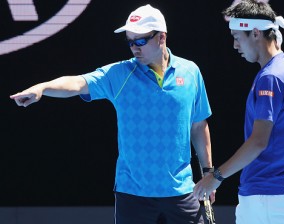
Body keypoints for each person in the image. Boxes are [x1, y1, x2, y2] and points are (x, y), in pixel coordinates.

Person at [10, 4, 214, 224]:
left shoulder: (191, 72)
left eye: (141, 41)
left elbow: (198, 125)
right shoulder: (120, 74)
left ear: (161, 38)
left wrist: (208, 172)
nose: (134, 48)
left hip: (182, 192)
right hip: (133, 195)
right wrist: (43, 88)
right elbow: (79, 83)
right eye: (130, 41)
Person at [193, 0, 284, 223]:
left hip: (264, 197)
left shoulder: (270, 77)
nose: (235, 45)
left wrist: (216, 176)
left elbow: (259, 141)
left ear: (256, 33)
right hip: (276, 196)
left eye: (238, 37)